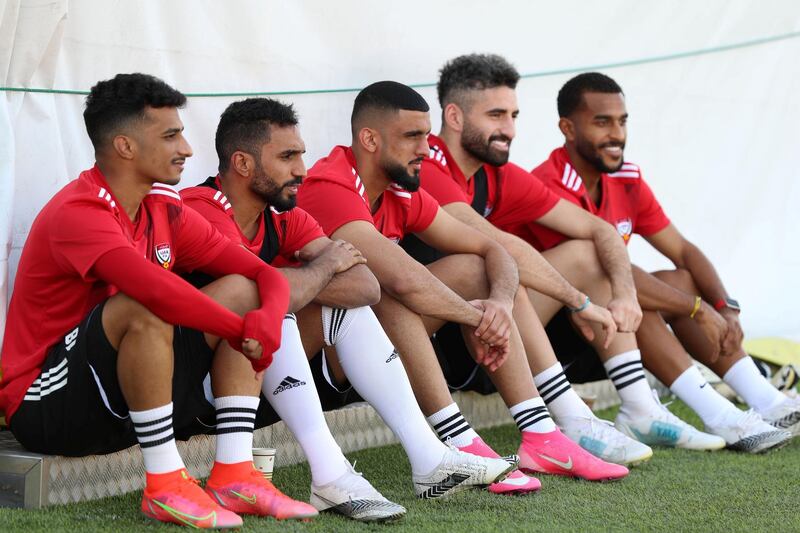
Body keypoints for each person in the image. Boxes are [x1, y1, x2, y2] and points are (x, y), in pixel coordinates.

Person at [0, 73, 305, 529]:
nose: (186, 147)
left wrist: (264, 315)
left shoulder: (162, 207)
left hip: (116, 394)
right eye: (170, 135)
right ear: (124, 146)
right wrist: (243, 333)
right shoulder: (79, 211)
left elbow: (261, 274)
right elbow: (156, 291)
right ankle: (164, 484)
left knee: (245, 292)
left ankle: (236, 474)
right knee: (142, 304)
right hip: (46, 405)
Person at [182, 98, 511, 518]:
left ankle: (429, 457)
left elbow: (364, 285)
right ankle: (329, 473)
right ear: (243, 164)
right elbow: (258, 292)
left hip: (265, 376)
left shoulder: (286, 217)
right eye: (287, 157)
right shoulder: (199, 208)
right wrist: (322, 270)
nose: (301, 168)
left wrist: (310, 277)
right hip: (196, 389)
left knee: (339, 307)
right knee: (267, 303)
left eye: (300, 154)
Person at [299, 80, 630, 493]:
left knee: (479, 269)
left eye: (425, 135)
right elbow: (403, 278)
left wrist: (502, 305)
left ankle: (543, 433)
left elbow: (494, 249)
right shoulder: (330, 186)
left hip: (386, 345)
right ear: (369, 139)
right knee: (389, 290)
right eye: (412, 137)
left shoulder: (403, 190)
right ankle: (458, 444)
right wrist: (480, 317)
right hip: (316, 354)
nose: (425, 148)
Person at [418, 54, 724, 455]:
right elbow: (499, 245)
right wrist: (576, 299)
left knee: (583, 254)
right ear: (454, 117)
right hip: (430, 340)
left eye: (513, 115)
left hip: (492, 324)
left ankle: (639, 407)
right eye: (495, 115)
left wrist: (624, 293)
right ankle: (571, 417)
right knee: (499, 267)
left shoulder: (497, 173)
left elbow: (600, 230)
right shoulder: (427, 164)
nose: (509, 129)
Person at [505, 71, 796, 452]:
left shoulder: (625, 178)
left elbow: (684, 250)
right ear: (568, 128)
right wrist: (698, 309)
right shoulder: (547, 182)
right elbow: (603, 274)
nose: (617, 134)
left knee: (679, 280)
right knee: (627, 285)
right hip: (546, 333)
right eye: (602, 122)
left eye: (622, 121)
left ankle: (765, 399)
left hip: (604, 328)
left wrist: (725, 306)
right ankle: (716, 415)